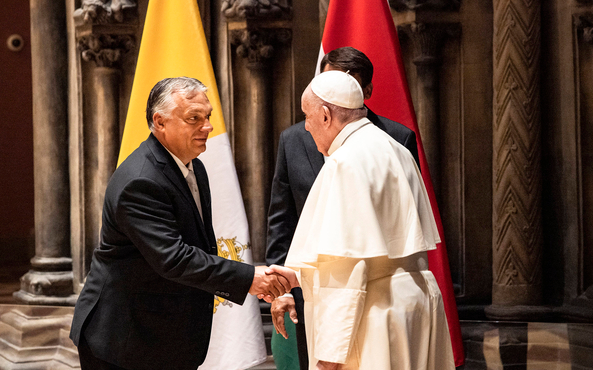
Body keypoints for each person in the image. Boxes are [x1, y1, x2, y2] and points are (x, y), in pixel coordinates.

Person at [69, 77, 297, 370]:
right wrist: (249, 278)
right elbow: (174, 258)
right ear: (160, 122)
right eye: (194, 118)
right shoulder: (141, 181)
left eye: (208, 116)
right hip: (126, 339)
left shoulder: (194, 167)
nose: (208, 127)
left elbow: (198, 244)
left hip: (166, 333)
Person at [275, 71, 455, 370]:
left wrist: (331, 353)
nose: (305, 127)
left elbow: (346, 266)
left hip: (374, 315)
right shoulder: (396, 149)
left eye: (307, 116)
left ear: (324, 115)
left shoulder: (345, 162)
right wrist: (296, 277)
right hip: (412, 305)